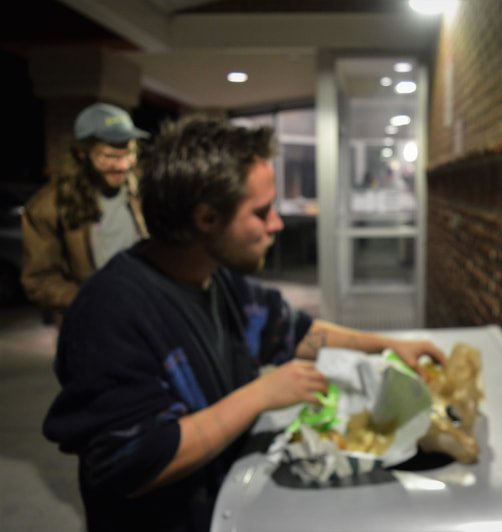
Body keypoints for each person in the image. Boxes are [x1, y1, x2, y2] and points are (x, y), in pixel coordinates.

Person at [42, 115, 446, 532]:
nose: (277, 224)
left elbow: (294, 332)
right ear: (206, 218)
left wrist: (387, 346)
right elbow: (134, 462)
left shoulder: (216, 280)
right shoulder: (110, 312)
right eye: (261, 212)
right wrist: (260, 395)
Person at [20, 102, 149, 325]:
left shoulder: (144, 190)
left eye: (128, 153)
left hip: (147, 314)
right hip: (93, 323)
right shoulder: (48, 206)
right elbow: (38, 280)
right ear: (82, 153)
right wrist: (92, 300)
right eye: (109, 156)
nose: (122, 165)